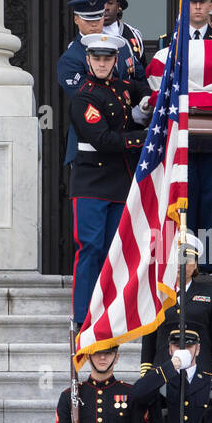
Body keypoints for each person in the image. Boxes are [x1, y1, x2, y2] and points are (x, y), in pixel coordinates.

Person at [67, 33, 153, 328]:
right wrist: (145, 137)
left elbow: (144, 88)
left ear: (116, 61)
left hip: (120, 182)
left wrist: (147, 98)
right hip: (92, 182)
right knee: (90, 247)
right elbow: (102, 139)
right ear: (88, 60)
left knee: (114, 251)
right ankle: (83, 317)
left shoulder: (123, 87)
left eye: (107, 58)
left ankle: (110, 312)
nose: (102, 63)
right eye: (96, 58)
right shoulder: (83, 97)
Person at [159, 0, 212, 272]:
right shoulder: (169, 41)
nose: (198, 6)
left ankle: (207, 267)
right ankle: (181, 265)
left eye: (203, 1)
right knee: (183, 202)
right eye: (193, 1)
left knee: (211, 203)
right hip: (181, 137)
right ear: (183, 5)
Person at [57, 0, 143, 173]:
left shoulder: (121, 46)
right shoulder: (71, 57)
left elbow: (138, 79)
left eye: (98, 18)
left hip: (126, 144)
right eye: (88, 20)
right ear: (76, 19)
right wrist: (129, 107)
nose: (94, 24)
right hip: (92, 145)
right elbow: (89, 97)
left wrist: (144, 101)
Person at [139, 233, 212, 381]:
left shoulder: (210, 293)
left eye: (186, 260)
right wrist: (146, 374)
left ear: (195, 265)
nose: (181, 265)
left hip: (201, 369)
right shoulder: (156, 293)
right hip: (163, 370)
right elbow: (149, 338)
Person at [85, 0, 146, 81]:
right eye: (100, 4)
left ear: (118, 7)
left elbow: (142, 74)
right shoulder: (85, 36)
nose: (106, 8)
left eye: (110, 3)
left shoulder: (134, 34)